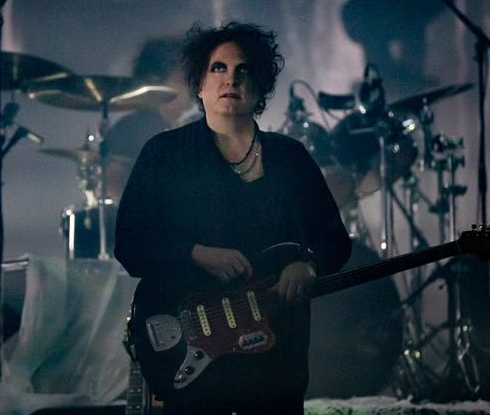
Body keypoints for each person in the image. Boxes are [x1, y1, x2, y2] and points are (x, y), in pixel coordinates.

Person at [115, 21, 352, 415]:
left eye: (244, 69)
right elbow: (131, 244)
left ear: (259, 86)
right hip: (195, 348)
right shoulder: (164, 154)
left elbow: (335, 241)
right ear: (199, 85)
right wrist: (196, 253)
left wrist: (308, 263)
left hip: (276, 356)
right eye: (218, 68)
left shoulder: (290, 157)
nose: (231, 78)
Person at [103, 37, 197, 202]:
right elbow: (112, 187)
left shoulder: (189, 128)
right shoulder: (129, 130)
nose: (192, 85)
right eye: (183, 80)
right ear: (156, 82)